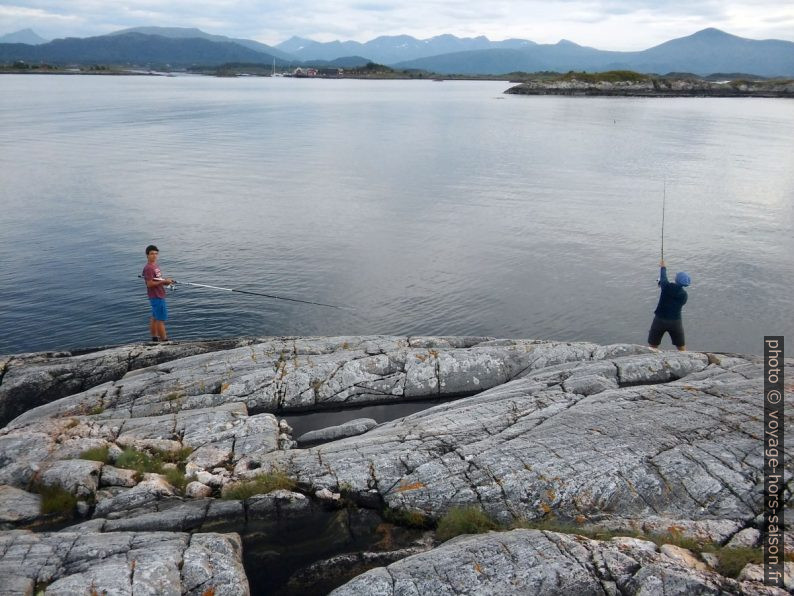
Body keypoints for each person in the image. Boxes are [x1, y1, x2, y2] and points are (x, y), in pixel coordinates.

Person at [648, 259, 691, 351]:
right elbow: (664, 282)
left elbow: (663, 278)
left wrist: (663, 267)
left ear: (677, 279)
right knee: (681, 347)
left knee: (652, 346)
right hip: (675, 322)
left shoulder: (667, 287)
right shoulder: (684, 295)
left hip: (659, 320)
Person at [142, 245, 173, 342]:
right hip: (157, 297)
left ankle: (154, 339)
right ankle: (164, 341)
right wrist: (164, 282)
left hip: (157, 295)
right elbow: (150, 284)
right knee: (161, 320)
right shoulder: (149, 268)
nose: (154, 256)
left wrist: (165, 281)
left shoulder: (155, 266)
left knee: (155, 318)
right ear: (147, 255)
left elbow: (157, 280)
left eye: (156, 253)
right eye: (152, 254)